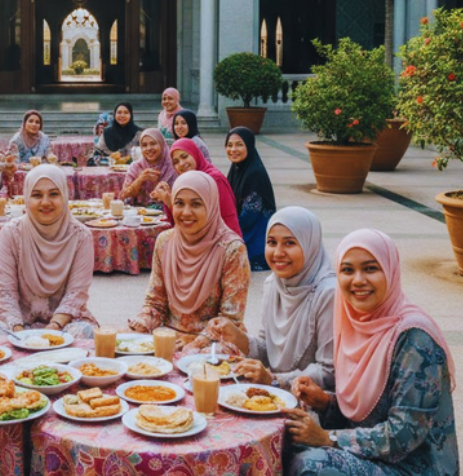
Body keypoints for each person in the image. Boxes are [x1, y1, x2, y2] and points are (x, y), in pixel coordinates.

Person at [285, 229, 458, 476]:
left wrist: (327, 437)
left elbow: (404, 435)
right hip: (373, 455)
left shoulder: (415, 338)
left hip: (413, 467)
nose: (357, 280)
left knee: (312, 466)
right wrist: (325, 402)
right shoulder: (355, 323)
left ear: (390, 271)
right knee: (285, 438)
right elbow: (366, 414)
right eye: (347, 270)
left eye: (370, 269)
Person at [205, 207, 335, 389]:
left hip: (312, 402)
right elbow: (268, 350)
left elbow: (328, 372)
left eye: (289, 243)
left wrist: (275, 381)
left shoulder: (328, 294)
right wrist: (238, 337)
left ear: (309, 244)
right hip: (274, 391)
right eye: (272, 242)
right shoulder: (273, 284)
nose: (278, 253)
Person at [128, 172, 250, 355]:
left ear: (211, 205)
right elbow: (156, 303)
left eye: (196, 204)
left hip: (214, 343)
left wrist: (195, 342)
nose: (186, 212)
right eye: (179, 203)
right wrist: (142, 323)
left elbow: (229, 320)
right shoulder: (165, 241)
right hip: (169, 339)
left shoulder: (231, 249)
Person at [0, 165, 99, 339]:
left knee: (84, 333)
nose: (46, 202)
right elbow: (5, 292)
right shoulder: (11, 233)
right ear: (26, 198)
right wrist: (19, 334)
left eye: (54, 194)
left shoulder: (80, 236)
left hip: (65, 321)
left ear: (65, 195)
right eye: (37, 195)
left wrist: (53, 328)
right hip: (17, 318)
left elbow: (76, 292)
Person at [151, 138, 241, 236]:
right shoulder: (185, 182)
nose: (181, 164)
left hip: (220, 240)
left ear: (194, 154)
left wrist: (170, 202)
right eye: (176, 162)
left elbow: (227, 217)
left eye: (184, 156)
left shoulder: (214, 179)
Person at [226, 126, 276, 271]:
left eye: (239, 145)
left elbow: (249, 215)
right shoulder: (236, 169)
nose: (233, 149)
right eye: (229, 145)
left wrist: (226, 229)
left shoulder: (254, 174)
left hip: (255, 236)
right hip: (243, 226)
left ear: (249, 146)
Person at [120, 128, 177, 206]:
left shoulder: (173, 167)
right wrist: (140, 180)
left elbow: (179, 199)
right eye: (144, 145)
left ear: (162, 144)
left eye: (153, 143)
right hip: (138, 214)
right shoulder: (136, 167)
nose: (149, 148)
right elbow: (124, 196)